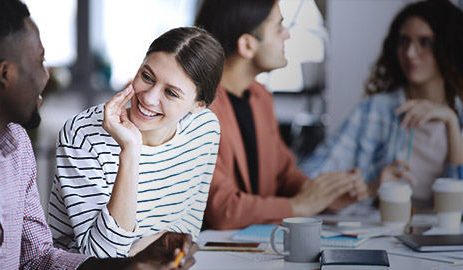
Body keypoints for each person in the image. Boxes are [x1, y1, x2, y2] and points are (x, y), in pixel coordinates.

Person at [0, 0, 197, 269]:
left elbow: (36, 258)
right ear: (6, 74)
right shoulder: (81, 133)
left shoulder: (17, 146)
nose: (47, 77)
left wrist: (131, 266)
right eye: (40, 62)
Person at [48, 26, 224, 257]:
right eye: (147, 77)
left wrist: (140, 252)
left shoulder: (204, 130)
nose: (149, 98)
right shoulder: (83, 133)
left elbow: (185, 231)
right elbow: (103, 258)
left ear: (198, 105)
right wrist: (130, 151)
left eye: (171, 93)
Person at [194, 0, 369, 230]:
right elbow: (223, 209)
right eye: (279, 27)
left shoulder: (261, 97)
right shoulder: (199, 107)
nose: (287, 35)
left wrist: (325, 195)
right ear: (247, 45)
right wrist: (299, 206)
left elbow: (284, 174)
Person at [302, 0, 463, 207]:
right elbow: (308, 180)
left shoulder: (458, 115)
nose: (410, 53)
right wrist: (371, 187)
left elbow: (456, 205)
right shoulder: (374, 111)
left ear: (448, 48)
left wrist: (450, 121)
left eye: (425, 42)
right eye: (404, 42)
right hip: (384, 232)